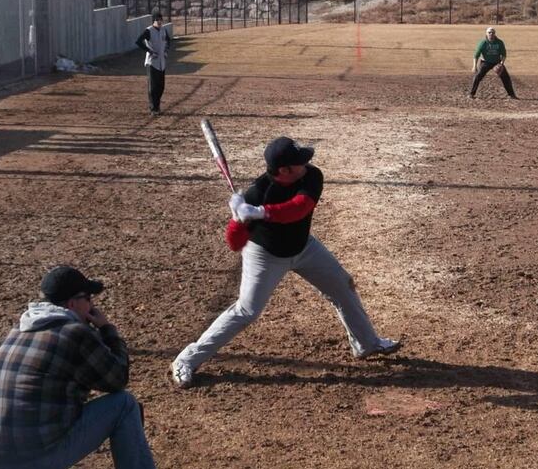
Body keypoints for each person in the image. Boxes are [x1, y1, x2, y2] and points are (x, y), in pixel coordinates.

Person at [170, 137, 402, 389]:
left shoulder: (311, 176)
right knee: (246, 312)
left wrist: (261, 212)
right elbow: (235, 243)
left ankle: (366, 344)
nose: (307, 163)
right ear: (285, 170)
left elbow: (299, 209)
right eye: (300, 161)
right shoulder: (257, 193)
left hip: (304, 247)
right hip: (265, 255)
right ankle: (187, 359)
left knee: (342, 285)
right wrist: (238, 218)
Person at [0, 266, 159, 469]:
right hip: (31, 458)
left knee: (37, 418)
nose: (91, 306)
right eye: (88, 299)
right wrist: (107, 330)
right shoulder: (74, 332)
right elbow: (117, 379)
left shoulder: (20, 329)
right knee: (124, 405)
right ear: (72, 304)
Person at [136, 9, 171, 115]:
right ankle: (153, 108)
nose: (160, 22)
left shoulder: (163, 30)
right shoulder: (149, 30)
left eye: (161, 20)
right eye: (157, 20)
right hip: (152, 63)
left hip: (161, 63)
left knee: (161, 86)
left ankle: (157, 106)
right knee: (153, 87)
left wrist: (165, 51)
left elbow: (168, 41)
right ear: (154, 21)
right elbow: (138, 41)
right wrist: (150, 51)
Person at [469, 27, 517, 100]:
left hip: (497, 62)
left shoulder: (499, 42)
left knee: (506, 77)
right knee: (478, 76)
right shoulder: (483, 43)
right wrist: (474, 66)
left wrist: (501, 64)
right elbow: (476, 55)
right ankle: (471, 94)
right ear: (486, 34)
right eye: (489, 32)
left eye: (493, 32)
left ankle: (511, 95)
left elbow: (504, 54)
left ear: (495, 34)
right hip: (485, 62)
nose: (491, 34)